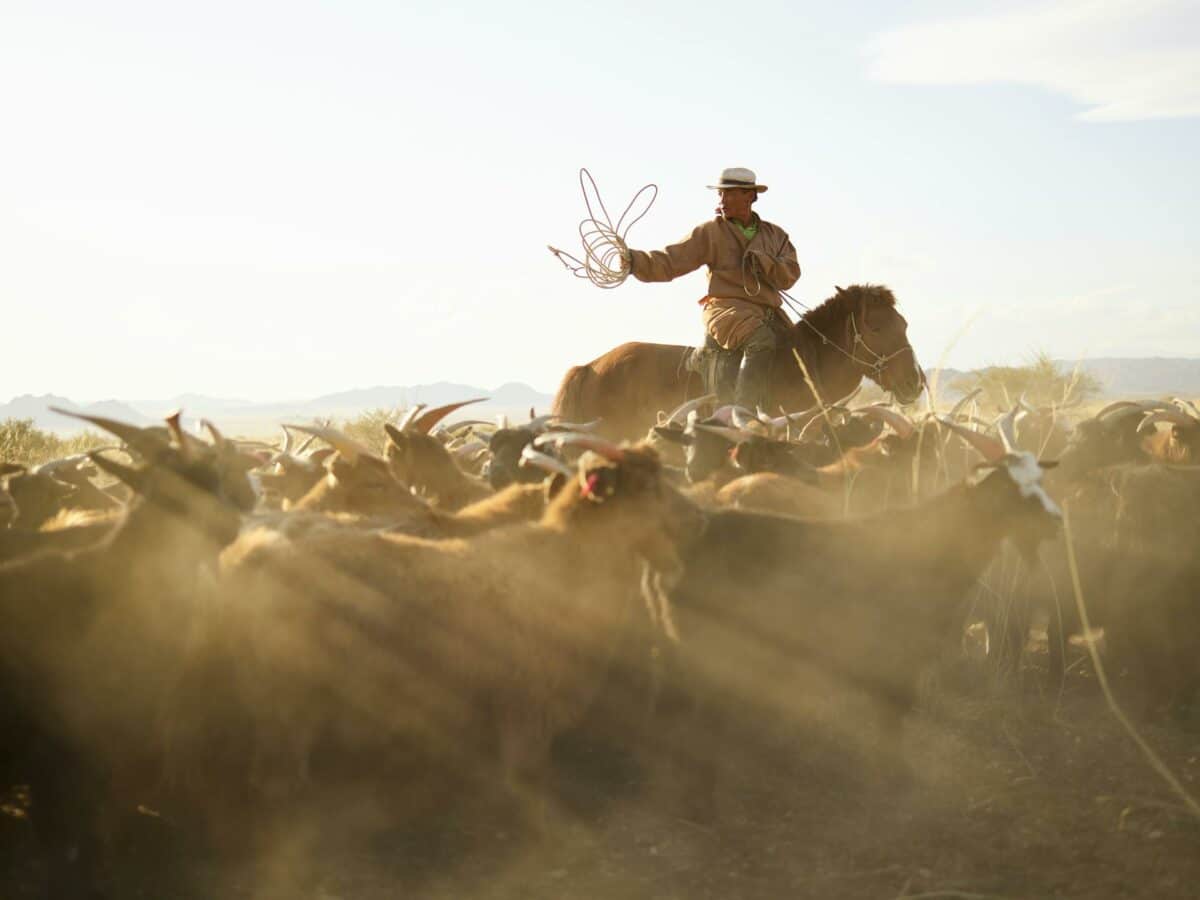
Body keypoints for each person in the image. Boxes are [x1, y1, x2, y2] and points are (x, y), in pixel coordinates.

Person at [624, 167, 801, 409]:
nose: (722, 200)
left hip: (769, 312)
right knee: (762, 341)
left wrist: (765, 262)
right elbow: (671, 261)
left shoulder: (776, 235)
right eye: (720, 194)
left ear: (749, 196)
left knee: (802, 348)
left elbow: (790, 274)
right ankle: (741, 412)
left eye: (730, 193)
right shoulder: (711, 232)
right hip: (726, 309)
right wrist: (634, 261)